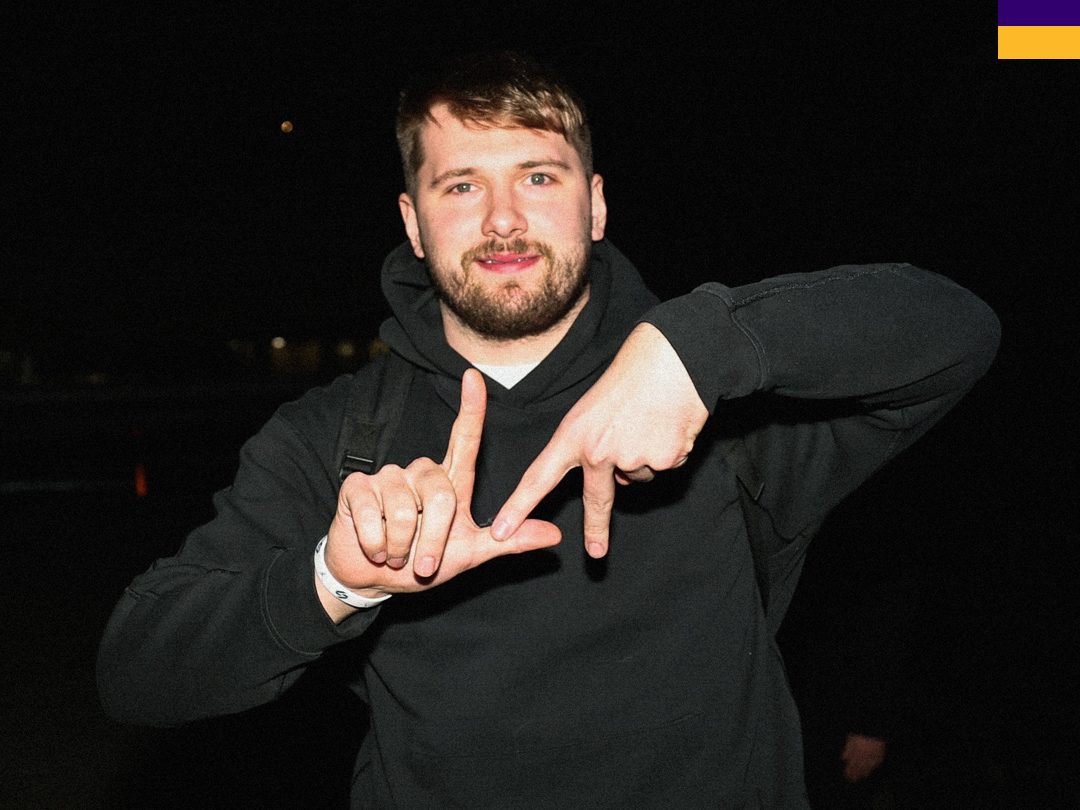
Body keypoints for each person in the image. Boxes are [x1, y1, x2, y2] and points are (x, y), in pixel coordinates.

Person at [97, 51, 1000, 808]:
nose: (502, 219)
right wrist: (335, 579)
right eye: (461, 185)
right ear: (413, 224)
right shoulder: (338, 438)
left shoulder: (722, 408)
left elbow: (959, 331)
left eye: (538, 176)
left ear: (596, 205)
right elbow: (136, 670)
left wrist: (702, 347)